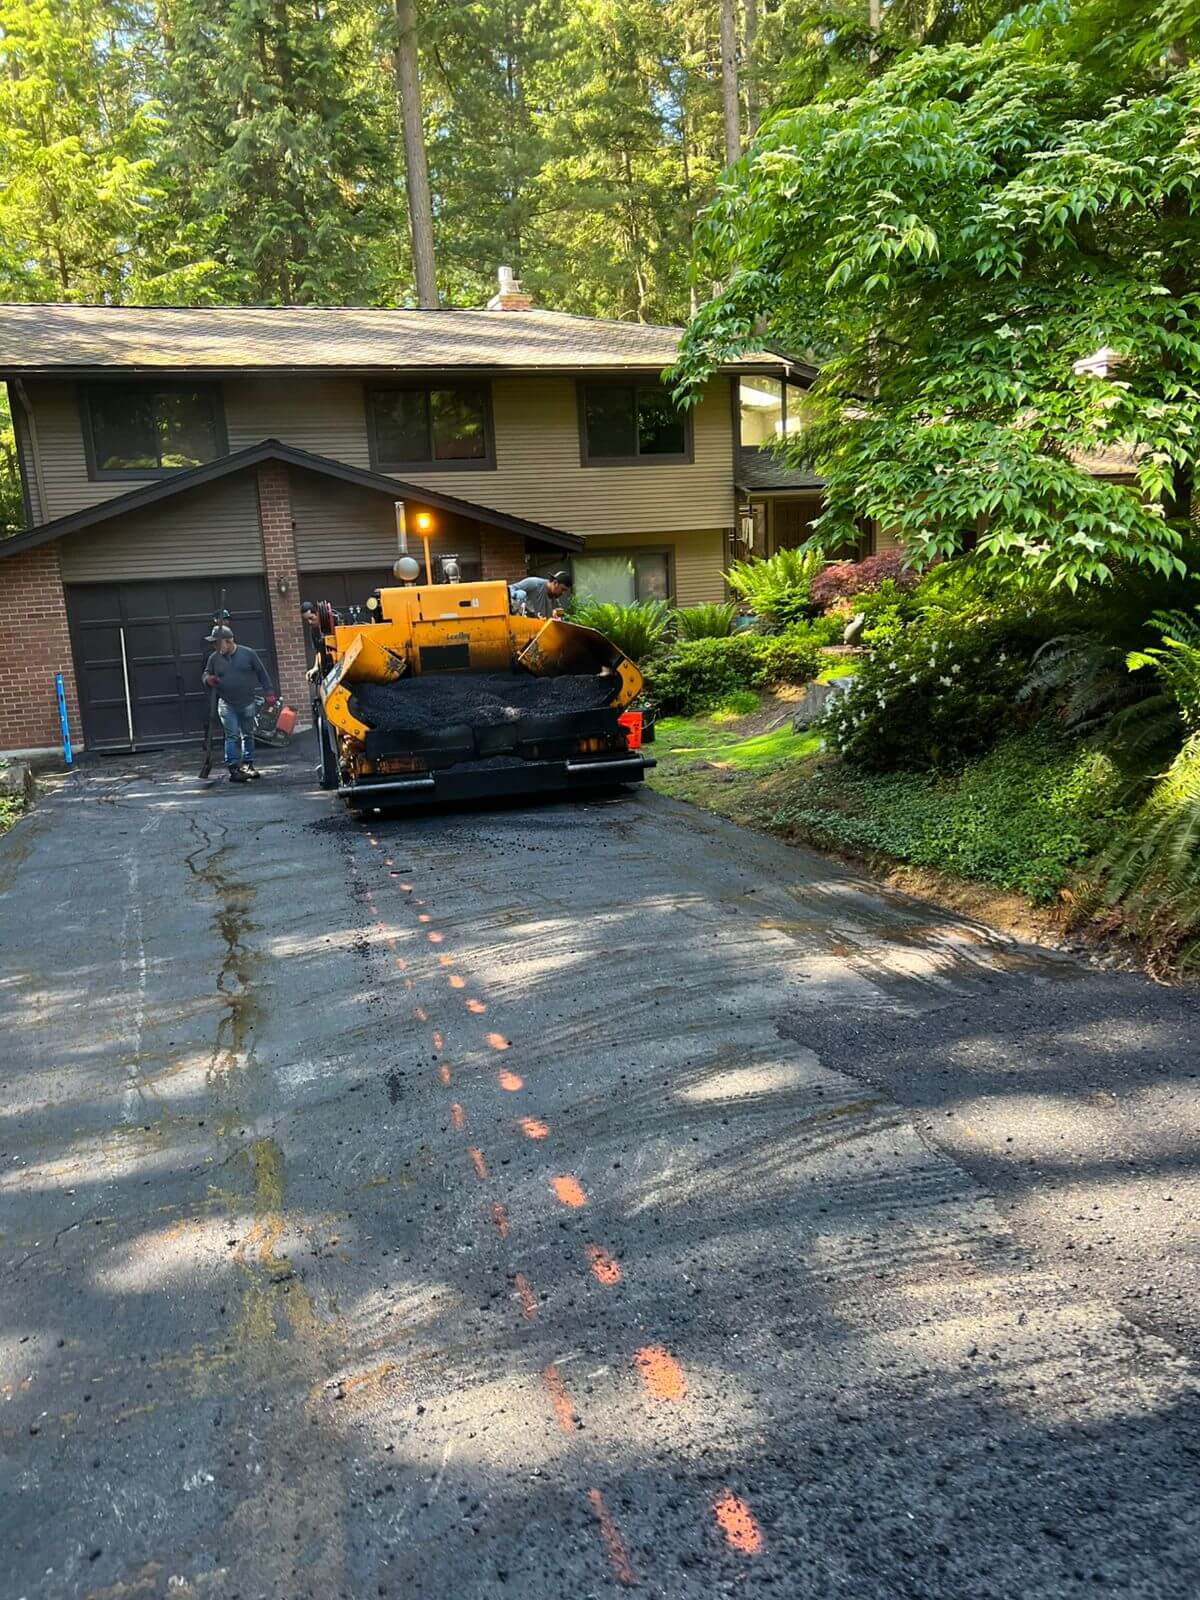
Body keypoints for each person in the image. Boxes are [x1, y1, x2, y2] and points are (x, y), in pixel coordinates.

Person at [202, 626, 275, 783]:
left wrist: (269, 692)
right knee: (232, 735)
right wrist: (208, 679)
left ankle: (248, 764)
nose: (215, 647)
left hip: (247, 702)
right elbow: (206, 673)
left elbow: (261, 673)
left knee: (247, 734)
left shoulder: (248, 654)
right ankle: (234, 768)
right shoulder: (214, 658)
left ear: (228, 641)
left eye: (217, 643)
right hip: (226, 703)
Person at [508, 570, 573, 619]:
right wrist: (515, 594)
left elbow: (561, 613)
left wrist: (558, 613)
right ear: (555, 583)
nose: (563, 593)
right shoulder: (534, 583)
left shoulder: (554, 597)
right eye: (562, 589)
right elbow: (509, 588)